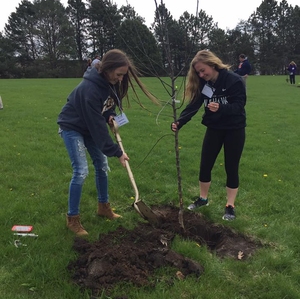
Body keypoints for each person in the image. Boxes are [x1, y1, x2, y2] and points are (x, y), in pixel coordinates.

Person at [57, 49, 158, 236]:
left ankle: (104, 207)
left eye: (123, 75)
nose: (121, 79)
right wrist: (117, 151)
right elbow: (98, 128)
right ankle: (73, 219)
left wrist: (111, 115)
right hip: (72, 127)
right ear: (108, 69)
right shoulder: (90, 89)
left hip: (89, 126)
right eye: (119, 74)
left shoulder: (111, 83)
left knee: (102, 166)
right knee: (81, 171)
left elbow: (107, 106)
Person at [171, 50, 246, 221]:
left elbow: (239, 106)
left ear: (213, 65)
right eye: (198, 72)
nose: (201, 74)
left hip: (234, 129)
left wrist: (221, 107)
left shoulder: (234, 80)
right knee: (205, 164)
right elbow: (194, 105)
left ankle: (230, 206)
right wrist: (179, 122)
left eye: (203, 70)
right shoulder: (206, 86)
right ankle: (203, 199)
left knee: (231, 167)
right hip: (214, 128)